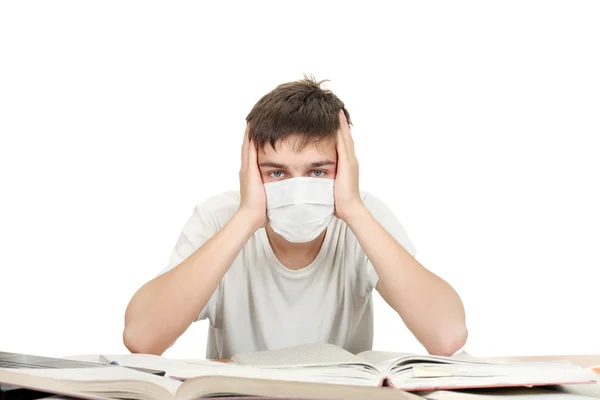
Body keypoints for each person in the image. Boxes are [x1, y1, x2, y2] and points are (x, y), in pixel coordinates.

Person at [123, 76, 468, 360]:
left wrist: (353, 209)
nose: (298, 191)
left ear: (344, 169)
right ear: (250, 172)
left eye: (318, 172)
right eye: (276, 173)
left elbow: (447, 335)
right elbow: (141, 338)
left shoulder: (363, 217)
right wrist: (246, 217)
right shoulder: (218, 219)